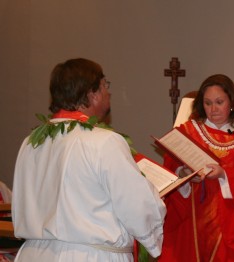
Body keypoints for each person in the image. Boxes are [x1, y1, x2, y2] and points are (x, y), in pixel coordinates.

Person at [12, 58, 166, 262]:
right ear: (92, 94)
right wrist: (157, 198)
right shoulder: (104, 141)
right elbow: (137, 206)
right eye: (104, 86)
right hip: (88, 256)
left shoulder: (31, 142)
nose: (107, 92)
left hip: (34, 254)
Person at [158, 74, 234, 262]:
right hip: (191, 222)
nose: (213, 109)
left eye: (219, 102)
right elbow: (170, 169)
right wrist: (184, 175)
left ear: (232, 102)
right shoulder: (187, 132)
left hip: (228, 226)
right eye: (207, 103)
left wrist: (224, 174)